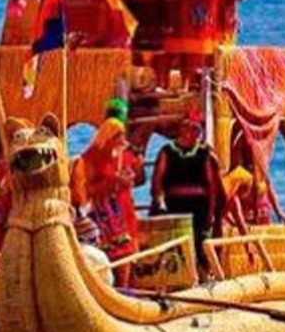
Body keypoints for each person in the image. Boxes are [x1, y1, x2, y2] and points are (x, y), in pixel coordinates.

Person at [71, 120, 141, 277]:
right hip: (101, 214)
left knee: (126, 251)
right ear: (109, 137)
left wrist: (129, 177)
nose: (123, 140)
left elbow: (134, 180)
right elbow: (86, 189)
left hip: (118, 213)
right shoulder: (90, 158)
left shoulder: (119, 156)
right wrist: (113, 181)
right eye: (119, 136)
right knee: (105, 255)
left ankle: (125, 288)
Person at [151, 117, 221, 267]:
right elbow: (157, 180)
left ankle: (202, 276)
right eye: (190, 128)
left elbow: (211, 185)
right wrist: (160, 203)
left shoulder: (204, 152)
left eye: (197, 129)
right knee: (175, 246)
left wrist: (211, 212)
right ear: (181, 130)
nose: (193, 132)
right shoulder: (167, 151)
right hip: (174, 206)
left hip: (198, 208)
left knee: (199, 244)